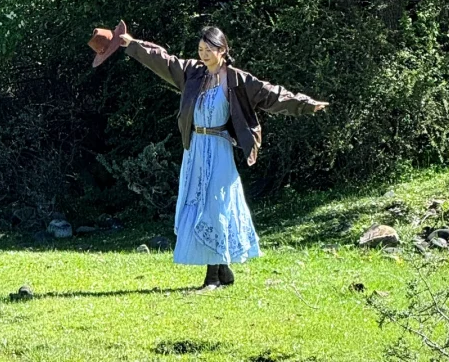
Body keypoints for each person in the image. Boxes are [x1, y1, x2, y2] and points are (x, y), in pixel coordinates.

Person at [88, 21, 328, 289]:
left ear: (222, 50)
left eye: (208, 49)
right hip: (195, 150)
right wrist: (132, 44)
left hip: (219, 148)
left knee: (215, 207)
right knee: (200, 206)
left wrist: (305, 104)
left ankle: (212, 277)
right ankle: (223, 271)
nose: (203, 54)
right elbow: (163, 60)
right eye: (200, 48)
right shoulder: (193, 73)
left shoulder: (236, 79)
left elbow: (271, 94)